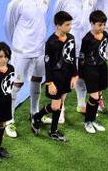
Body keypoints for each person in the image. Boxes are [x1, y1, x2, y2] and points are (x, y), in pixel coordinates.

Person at [4, 0, 50, 138]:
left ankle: (34, 113)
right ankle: (8, 120)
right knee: (16, 84)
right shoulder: (17, 2)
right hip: (21, 51)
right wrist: (16, 46)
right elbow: (9, 26)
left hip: (39, 49)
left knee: (37, 80)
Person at [54, 0, 97, 114]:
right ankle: (60, 110)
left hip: (87, 47)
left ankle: (81, 104)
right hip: (68, 48)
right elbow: (56, 23)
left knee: (83, 76)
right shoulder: (63, 1)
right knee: (64, 80)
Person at [31, 11, 78, 142]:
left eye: (70, 24)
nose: (70, 27)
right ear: (58, 26)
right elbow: (48, 63)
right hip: (56, 78)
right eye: (67, 25)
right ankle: (39, 118)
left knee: (60, 103)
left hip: (67, 75)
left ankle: (52, 130)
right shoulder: (51, 42)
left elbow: (72, 58)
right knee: (56, 106)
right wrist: (50, 82)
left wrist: (75, 75)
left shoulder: (71, 38)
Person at [79, 10, 108, 133]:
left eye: (104, 24)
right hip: (90, 70)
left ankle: (93, 120)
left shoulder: (106, 35)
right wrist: (81, 73)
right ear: (92, 23)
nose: (102, 27)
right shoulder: (87, 39)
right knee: (94, 97)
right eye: (99, 25)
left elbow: (102, 51)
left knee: (99, 95)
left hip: (102, 68)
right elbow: (82, 56)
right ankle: (88, 122)